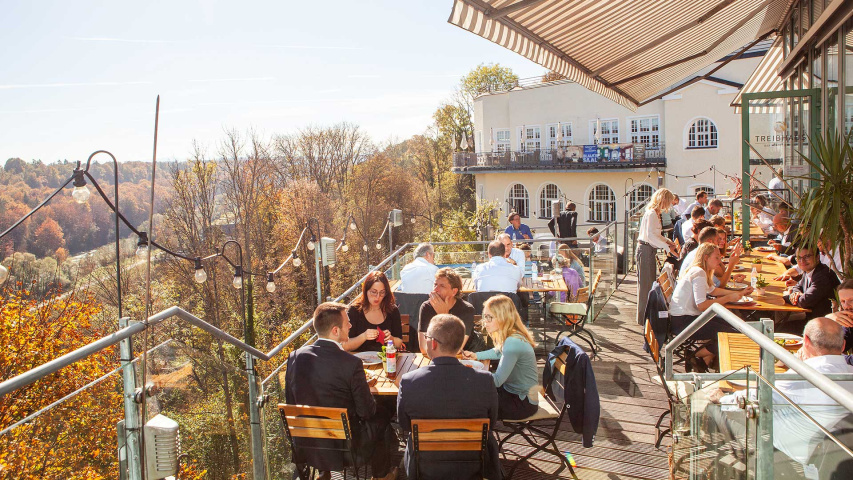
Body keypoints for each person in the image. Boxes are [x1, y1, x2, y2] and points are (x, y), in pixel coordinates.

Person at [708, 317, 853, 465]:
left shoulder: (802, 376)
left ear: (806, 341)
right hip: (828, 453)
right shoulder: (849, 373)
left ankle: (730, 469)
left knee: (716, 408)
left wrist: (721, 399)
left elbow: (758, 396)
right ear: (843, 346)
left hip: (787, 455)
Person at [285, 302, 398, 480]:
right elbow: (366, 412)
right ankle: (382, 475)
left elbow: (291, 402)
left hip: (307, 444)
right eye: (347, 323)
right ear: (336, 331)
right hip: (346, 449)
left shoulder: (295, 358)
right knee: (382, 415)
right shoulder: (351, 364)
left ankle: (324, 472)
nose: (351, 326)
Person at [397, 314, 502, 480]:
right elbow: (492, 422)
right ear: (459, 344)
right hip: (473, 466)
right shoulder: (485, 380)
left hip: (424, 467)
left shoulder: (409, 381)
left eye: (427, 337)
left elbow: (404, 424)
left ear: (433, 343)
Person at [670, 243, 753, 370]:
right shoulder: (699, 273)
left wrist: (739, 293)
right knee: (734, 334)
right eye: (717, 257)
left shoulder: (700, 271)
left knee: (735, 327)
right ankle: (695, 355)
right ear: (706, 257)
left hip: (687, 318)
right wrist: (729, 298)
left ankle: (702, 361)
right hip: (684, 322)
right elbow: (702, 306)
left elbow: (713, 291)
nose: (719, 261)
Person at [462, 295, 540, 420]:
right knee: (472, 396)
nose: (485, 322)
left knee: (471, 403)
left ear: (503, 317)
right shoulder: (513, 335)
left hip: (522, 403)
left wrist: (468, 373)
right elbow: (499, 351)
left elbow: (497, 381)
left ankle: (481, 432)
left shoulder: (513, 343)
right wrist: (476, 355)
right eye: (484, 316)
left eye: (489, 317)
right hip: (512, 393)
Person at [636, 188, 678, 325]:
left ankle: (646, 318)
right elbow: (651, 236)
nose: (669, 205)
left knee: (648, 284)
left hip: (648, 249)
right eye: (669, 202)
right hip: (646, 249)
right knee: (646, 286)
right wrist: (667, 247)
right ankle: (644, 319)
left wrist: (668, 241)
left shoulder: (654, 213)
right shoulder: (652, 214)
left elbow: (655, 235)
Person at [418, 268, 483, 355]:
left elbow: (457, 349)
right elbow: (424, 348)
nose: (435, 289)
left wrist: (443, 316)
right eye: (435, 284)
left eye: (442, 286)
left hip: (464, 357)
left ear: (454, 291)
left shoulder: (466, 309)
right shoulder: (427, 307)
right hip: (435, 358)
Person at [779, 245, 842, 333]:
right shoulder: (809, 270)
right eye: (799, 258)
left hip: (824, 327)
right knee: (778, 322)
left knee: (778, 328)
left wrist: (788, 296)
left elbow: (805, 302)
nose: (802, 261)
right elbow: (797, 287)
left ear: (817, 257)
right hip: (811, 318)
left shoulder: (823, 275)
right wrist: (795, 293)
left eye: (807, 256)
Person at [344, 271, 404, 352]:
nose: (377, 297)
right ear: (366, 291)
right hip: (359, 359)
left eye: (382, 292)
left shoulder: (392, 310)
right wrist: (364, 336)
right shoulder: (354, 310)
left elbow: (399, 343)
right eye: (373, 292)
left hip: (385, 357)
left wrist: (391, 339)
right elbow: (345, 346)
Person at [828, 279, 853, 352]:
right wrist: (828, 321)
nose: (846, 306)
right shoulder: (849, 321)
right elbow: (835, 347)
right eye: (843, 301)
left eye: (851, 300)